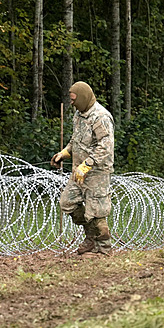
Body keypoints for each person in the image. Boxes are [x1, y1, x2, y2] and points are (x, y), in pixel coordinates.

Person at [50, 81, 115, 256]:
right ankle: (91, 237)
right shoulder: (79, 114)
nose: (71, 103)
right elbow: (75, 140)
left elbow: (105, 147)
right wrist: (64, 153)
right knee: (67, 202)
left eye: (73, 99)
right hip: (78, 172)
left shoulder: (101, 117)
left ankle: (104, 249)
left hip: (96, 173)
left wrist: (87, 165)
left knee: (96, 211)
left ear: (84, 97)